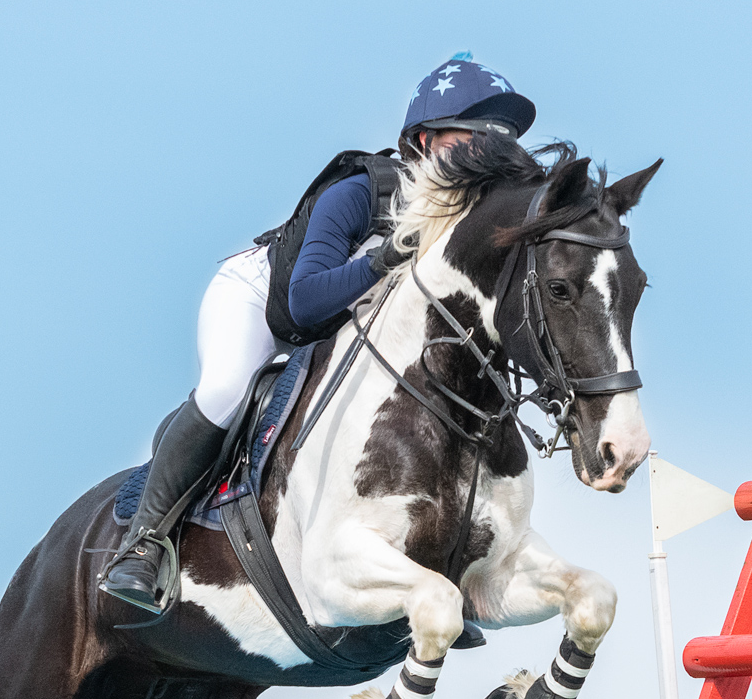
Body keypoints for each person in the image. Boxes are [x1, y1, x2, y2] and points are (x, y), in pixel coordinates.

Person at [99, 54, 538, 613]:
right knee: (227, 389)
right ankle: (145, 543)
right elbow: (304, 305)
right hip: (263, 301)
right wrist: (384, 261)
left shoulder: (468, 228)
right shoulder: (365, 190)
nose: (488, 156)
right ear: (424, 140)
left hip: (343, 326)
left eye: (500, 142)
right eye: (472, 139)